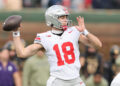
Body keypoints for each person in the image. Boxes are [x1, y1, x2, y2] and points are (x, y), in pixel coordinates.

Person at [12, 5, 102, 86]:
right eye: (62, 17)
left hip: (76, 80)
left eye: (66, 17)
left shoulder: (74, 31)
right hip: (58, 81)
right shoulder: (44, 37)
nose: (65, 20)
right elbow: (22, 53)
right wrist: (16, 32)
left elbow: (98, 45)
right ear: (52, 19)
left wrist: (84, 31)